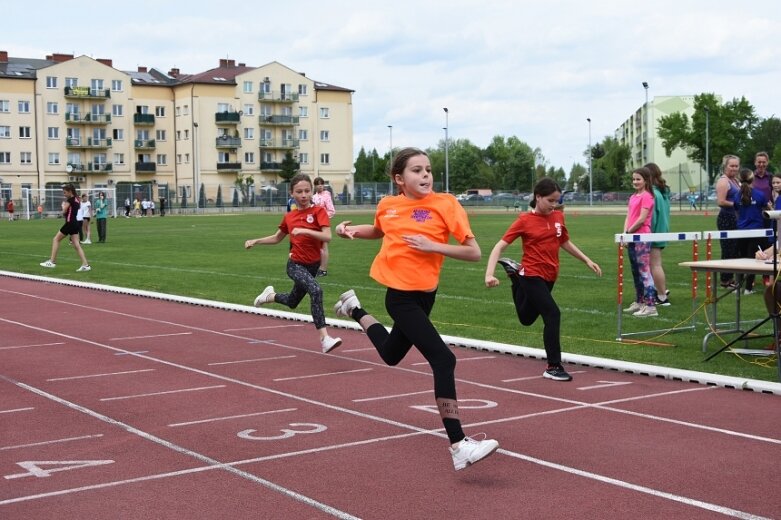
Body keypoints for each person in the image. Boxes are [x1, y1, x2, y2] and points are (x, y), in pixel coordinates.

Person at [333, 147, 499, 471]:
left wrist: (433, 245)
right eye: (416, 170)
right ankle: (459, 445)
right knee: (444, 359)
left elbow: (474, 252)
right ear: (399, 179)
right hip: (399, 297)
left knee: (392, 355)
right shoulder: (389, 205)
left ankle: (353, 308)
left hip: (426, 296)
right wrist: (351, 230)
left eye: (428, 169)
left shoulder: (446, 204)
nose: (425, 175)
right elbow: (379, 231)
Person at [485, 178, 602, 382]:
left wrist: (587, 260)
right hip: (532, 274)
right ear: (538, 197)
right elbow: (499, 246)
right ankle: (553, 366)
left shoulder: (558, 216)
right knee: (553, 314)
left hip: (550, 274)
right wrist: (489, 273)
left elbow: (564, 241)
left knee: (527, 318)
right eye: (550, 200)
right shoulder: (524, 220)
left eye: (557, 201)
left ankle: (514, 276)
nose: (554, 205)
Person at [244, 173, 342, 354]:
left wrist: (305, 231)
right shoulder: (289, 217)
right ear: (292, 194)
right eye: (299, 191)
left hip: (313, 265)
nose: (304, 195)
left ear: (312, 192)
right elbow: (276, 238)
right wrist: (256, 241)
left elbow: (327, 236)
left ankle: (269, 296)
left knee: (292, 301)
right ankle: (325, 339)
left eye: (307, 191)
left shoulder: (319, 212)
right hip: (295, 265)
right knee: (316, 290)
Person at [623, 166, 657, 317]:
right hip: (631, 236)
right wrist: (625, 234)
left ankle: (650, 306)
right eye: (634, 179)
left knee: (644, 272)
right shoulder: (633, 197)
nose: (635, 182)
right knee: (635, 271)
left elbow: (642, 219)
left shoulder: (647, 196)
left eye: (638, 179)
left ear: (645, 180)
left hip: (642, 237)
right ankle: (640, 301)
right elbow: (628, 216)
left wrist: (628, 233)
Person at [39, 183, 90, 272]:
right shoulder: (77, 199)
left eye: (65, 192)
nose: (64, 194)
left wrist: (63, 207)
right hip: (75, 223)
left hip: (70, 223)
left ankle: (52, 261)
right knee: (76, 244)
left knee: (56, 239)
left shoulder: (70, 200)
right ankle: (86, 265)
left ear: (70, 192)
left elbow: (64, 211)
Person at [733, 167, 768, 295]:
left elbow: (737, 210)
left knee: (741, 259)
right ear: (753, 179)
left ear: (739, 180)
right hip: (757, 231)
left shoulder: (737, 196)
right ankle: (748, 288)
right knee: (753, 260)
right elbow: (767, 209)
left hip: (741, 231)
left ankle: (738, 287)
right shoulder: (759, 194)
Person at [715, 154, 742, 288]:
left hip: (736, 218)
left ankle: (731, 277)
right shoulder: (724, 181)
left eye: (736, 166)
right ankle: (725, 280)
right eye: (731, 165)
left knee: (735, 249)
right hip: (727, 218)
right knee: (728, 249)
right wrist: (737, 204)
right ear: (725, 166)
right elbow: (720, 201)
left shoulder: (736, 180)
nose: (734, 168)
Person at [646, 163, 671, 306]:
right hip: (662, 230)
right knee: (654, 265)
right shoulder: (662, 191)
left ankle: (662, 296)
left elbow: (652, 216)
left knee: (655, 265)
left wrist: (648, 234)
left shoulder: (653, 193)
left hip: (654, 232)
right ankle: (660, 290)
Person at [312, 177, 336, 277]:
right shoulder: (313, 196)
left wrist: (321, 217)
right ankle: (317, 267)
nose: (320, 185)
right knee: (315, 247)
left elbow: (331, 211)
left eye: (322, 184)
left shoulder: (326, 195)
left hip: (323, 224)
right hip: (314, 224)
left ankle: (323, 269)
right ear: (315, 186)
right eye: (318, 184)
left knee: (323, 246)